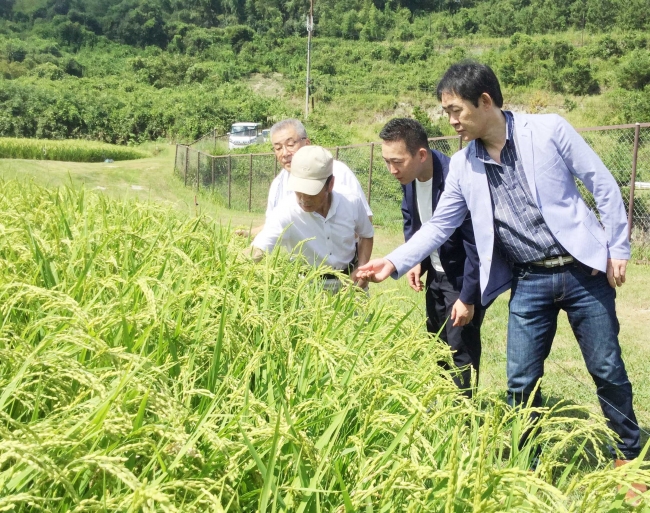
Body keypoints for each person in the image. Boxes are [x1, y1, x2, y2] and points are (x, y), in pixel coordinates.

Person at [358, 61, 645, 493]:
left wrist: (618, 247)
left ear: (485, 101)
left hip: (584, 270)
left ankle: (630, 455)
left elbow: (601, 183)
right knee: (520, 379)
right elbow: (439, 225)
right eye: (448, 112)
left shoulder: (548, 130)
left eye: (456, 110)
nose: (451, 121)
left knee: (606, 368)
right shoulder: (462, 164)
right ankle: (526, 465)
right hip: (529, 279)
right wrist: (394, 261)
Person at [379, 118, 484, 396]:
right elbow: (411, 219)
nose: (391, 170)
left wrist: (468, 297)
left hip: (461, 278)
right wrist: (417, 260)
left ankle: (465, 419)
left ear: (421, 155)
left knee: (460, 350)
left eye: (397, 161)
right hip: (436, 275)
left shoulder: (456, 178)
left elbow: (476, 243)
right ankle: (441, 409)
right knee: (436, 345)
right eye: (386, 161)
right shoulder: (410, 178)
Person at [251, 145, 374, 292]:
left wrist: (361, 269)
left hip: (351, 282)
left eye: (311, 192)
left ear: (330, 184)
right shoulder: (286, 211)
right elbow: (259, 248)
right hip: (307, 288)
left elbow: (366, 235)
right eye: (299, 191)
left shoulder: (351, 201)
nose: (303, 199)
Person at [238, 118, 372, 237]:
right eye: (278, 148)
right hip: (300, 263)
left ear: (307, 143)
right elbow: (273, 225)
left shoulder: (337, 171)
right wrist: (249, 234)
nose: (284, 153)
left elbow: (365, 220)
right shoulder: (278, 184)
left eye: (290, 145)